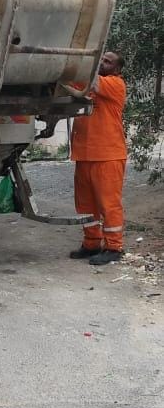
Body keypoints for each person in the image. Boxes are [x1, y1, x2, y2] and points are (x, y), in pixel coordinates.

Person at [69, 51, 127, 266]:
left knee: (108, 205)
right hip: (84, 155)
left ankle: (114, 247)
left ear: (117, 69)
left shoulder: (115, 84)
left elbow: (90, 79)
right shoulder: (89, 85)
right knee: (85, 205)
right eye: (101, 59)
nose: (102, 62)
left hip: (108, 156)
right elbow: (69, 84)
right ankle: (91, 243)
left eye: (108, 61)